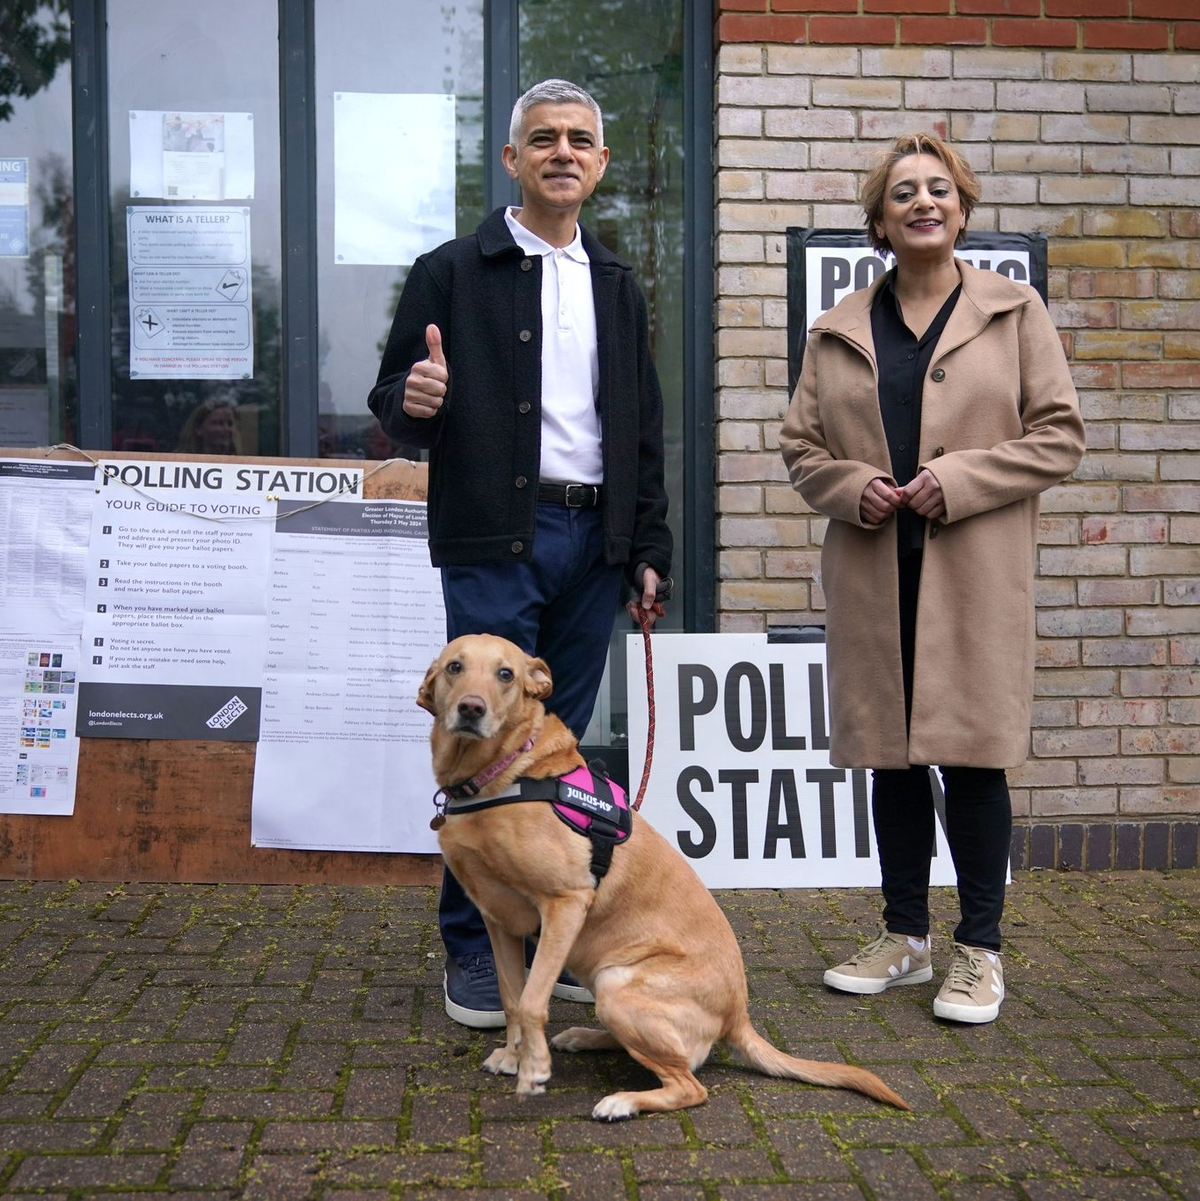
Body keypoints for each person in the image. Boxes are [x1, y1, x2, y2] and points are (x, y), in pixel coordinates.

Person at [368, 79, 672, 1029]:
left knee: (555, 755)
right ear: (513, 160)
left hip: (596, 543)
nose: (562, 152)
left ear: (601, 163)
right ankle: (469, 951)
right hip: (500, 540)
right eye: (543, 139)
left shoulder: (617, 286)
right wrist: (414, 400)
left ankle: (551, 941)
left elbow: (642, 432)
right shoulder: (452, 271)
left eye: (581, 139)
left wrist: (647, 547)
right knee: (480, 747)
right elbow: (392, 401)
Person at [779, 133, 1084, 1025]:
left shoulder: (1014, 312)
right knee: (892, 761)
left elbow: (1059, 434)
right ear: (879, 219)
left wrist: (955, 480)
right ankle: (904, 936)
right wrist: (850, 486)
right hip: (877, 573)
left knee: (974, 758)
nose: (924, 202)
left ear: (962, 209)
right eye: (904, 192)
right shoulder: (835, 330)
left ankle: (979, 951)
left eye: (939, 190)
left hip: (973, 577)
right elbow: (800, 448)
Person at [176, 396, 241, 455]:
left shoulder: (242, 463)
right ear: (198, 428)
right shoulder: (179, 463)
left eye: (230, 424)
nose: (226, 429)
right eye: (218, 423)